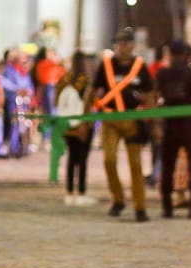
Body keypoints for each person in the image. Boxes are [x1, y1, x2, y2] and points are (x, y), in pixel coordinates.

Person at [93, 28, 154, 223]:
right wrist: (88, 115)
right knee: (109, 161)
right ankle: (118, 198)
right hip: (110, 120)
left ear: (132, 46)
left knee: (136, 166)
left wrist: (152, 119)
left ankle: (140, 207)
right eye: (119, 43)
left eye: (125, 43)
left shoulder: (140, 66)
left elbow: (150, 93)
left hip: (133, 121)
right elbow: (94, 89)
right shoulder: (106, 65)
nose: (122, 47)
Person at [155, 39, 191, 220]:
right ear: (187, 55)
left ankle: (167, 206)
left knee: (168, 167)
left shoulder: (162, 74)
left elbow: (158, 96)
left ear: (170, 54)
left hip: (170, 125)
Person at [55, 54, 95, 206]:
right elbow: (93, 103)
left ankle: (70, 191)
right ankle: (81, 192)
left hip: (68, 126)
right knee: (83, 160)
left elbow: (57, 102)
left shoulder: (64, 81)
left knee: (72, 159)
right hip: (84, 125)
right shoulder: (89, 82)